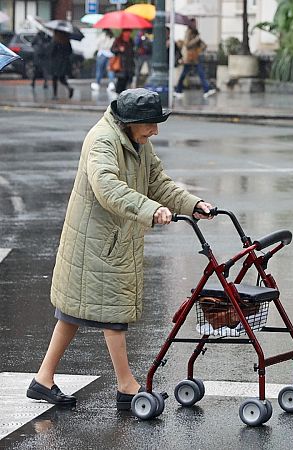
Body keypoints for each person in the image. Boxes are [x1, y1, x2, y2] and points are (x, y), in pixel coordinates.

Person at [26, 88, 214, 410]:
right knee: (113, 313)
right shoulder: (103, 141)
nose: (155, 130)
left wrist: (192, 203)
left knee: (73, 312)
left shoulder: (137, 141)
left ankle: (43, 379)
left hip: (110, 238)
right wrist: (150, 210)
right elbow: (107, 187)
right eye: (151, 124)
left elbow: (159, 182)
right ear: (131, 122)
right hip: (98, 241)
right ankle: (127, 386)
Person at [175, 19, 216, 99]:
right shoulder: (188, 32)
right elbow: (186, 44)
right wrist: (195, 40)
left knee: (201, 73)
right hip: (189, 57)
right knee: (184, 74)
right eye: (194, 23)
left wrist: (202, 46)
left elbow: (202, 44)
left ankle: (206, 90)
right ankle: (178, 90)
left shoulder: (195, 32)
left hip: (195, 57)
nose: (196, 24)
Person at [50, 30, 74, 100]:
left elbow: (52, 52)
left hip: (56, 62)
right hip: (64, 62)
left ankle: (55, 95)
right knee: (62, 78)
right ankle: (69, 88)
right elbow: (70, 51)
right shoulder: (67, 40)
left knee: (54, 78)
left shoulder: (56, 41)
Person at [111, 29, 135, 93]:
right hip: (121, 64)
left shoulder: (131, 40)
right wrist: (119, 49)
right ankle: (118, 94)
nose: (128, 34)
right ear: (123, 33)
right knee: (121, 80)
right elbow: (112, 49)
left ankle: (124, 95)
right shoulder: (118, 40)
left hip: (129, 64)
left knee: (128, 80)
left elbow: (133, 51)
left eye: (129, 32)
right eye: (126, 32)